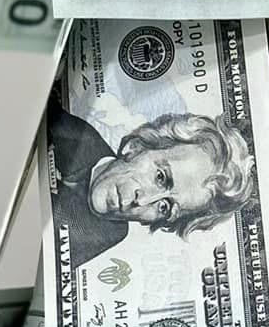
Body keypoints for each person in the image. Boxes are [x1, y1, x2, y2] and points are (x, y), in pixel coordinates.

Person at [45, 104, 257, 269]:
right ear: (136, 147)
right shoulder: (64, 129)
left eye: (165, 207)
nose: (143, 201)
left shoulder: (106, 233)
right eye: (160, 177)